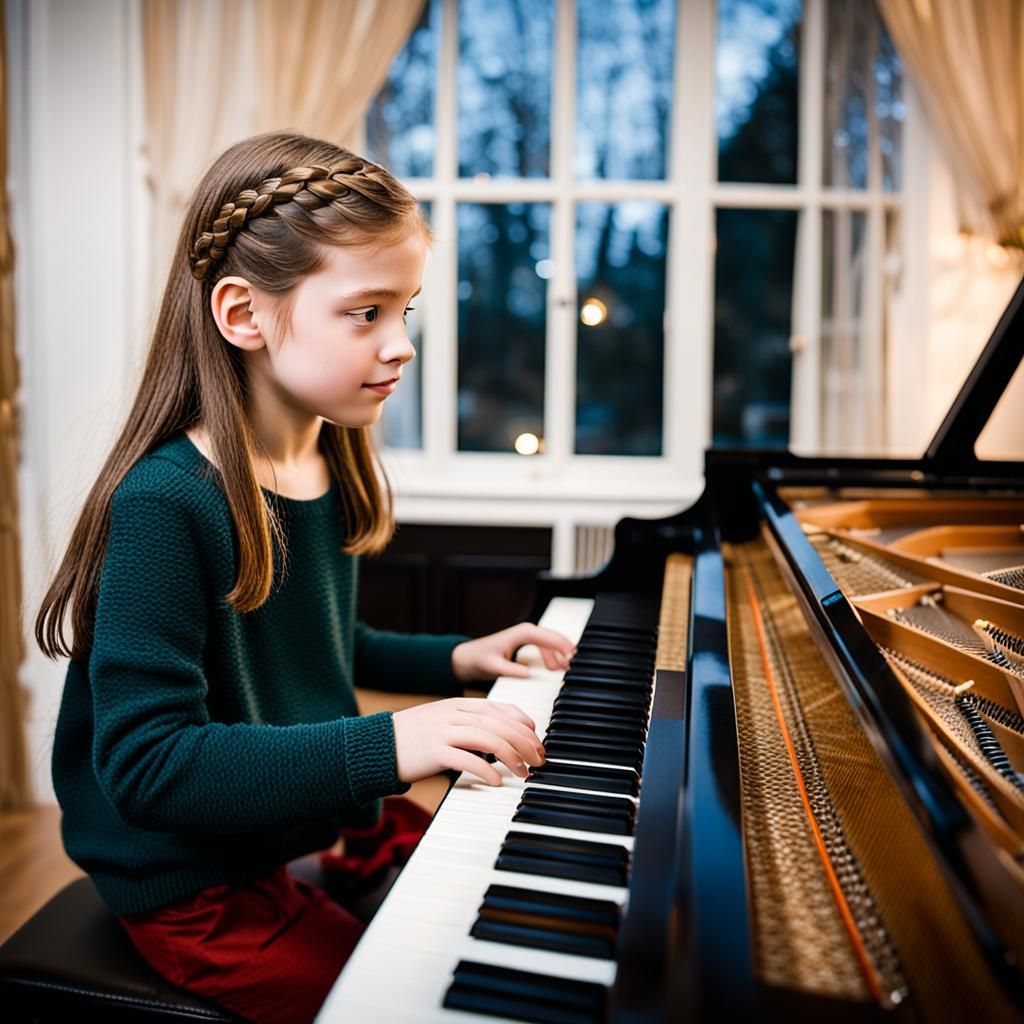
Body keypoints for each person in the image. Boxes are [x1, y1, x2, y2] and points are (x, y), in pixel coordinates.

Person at [35, 130, 576, 1024]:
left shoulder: (326, 458)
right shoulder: (167, 501)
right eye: (366, 313)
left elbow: (322, 643)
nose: (401, 346)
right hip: (193, 883)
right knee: (398, 1002)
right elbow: (147, 765)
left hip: (282, 828)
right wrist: (389, 744)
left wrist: (457, 658)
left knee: (497, 873)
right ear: (243, 315)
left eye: (406, 311)